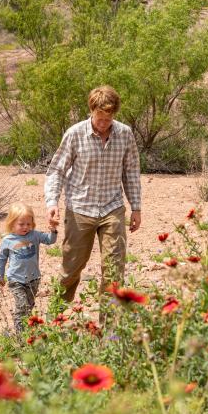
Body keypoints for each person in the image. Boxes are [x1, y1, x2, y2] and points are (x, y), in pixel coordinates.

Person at [45, 85, 142, 304]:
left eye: (108, 119)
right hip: (80, 209)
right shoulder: (75, 134)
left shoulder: (125, 134)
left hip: (112, 208)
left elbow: (131, 172)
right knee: (71, 269)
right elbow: (56, 170)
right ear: (92, 111)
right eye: (100, 118)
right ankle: (54, 320)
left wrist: (136, 207)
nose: (103, 124)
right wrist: (52, 202)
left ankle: (109, 334)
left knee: (114, 271)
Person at [0, 203, 58, 335]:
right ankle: (20, 337)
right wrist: (0, 275)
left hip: (33, 278)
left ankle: (27, 333)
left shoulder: (35, 235)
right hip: (16, 280)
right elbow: (2, 259)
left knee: (29, 307)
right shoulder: (8, 240)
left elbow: (50, 240)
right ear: (12, 224)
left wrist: (53, 230)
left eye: (28, 224)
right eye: (21, 224)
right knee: (21, 306)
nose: (25, 227)